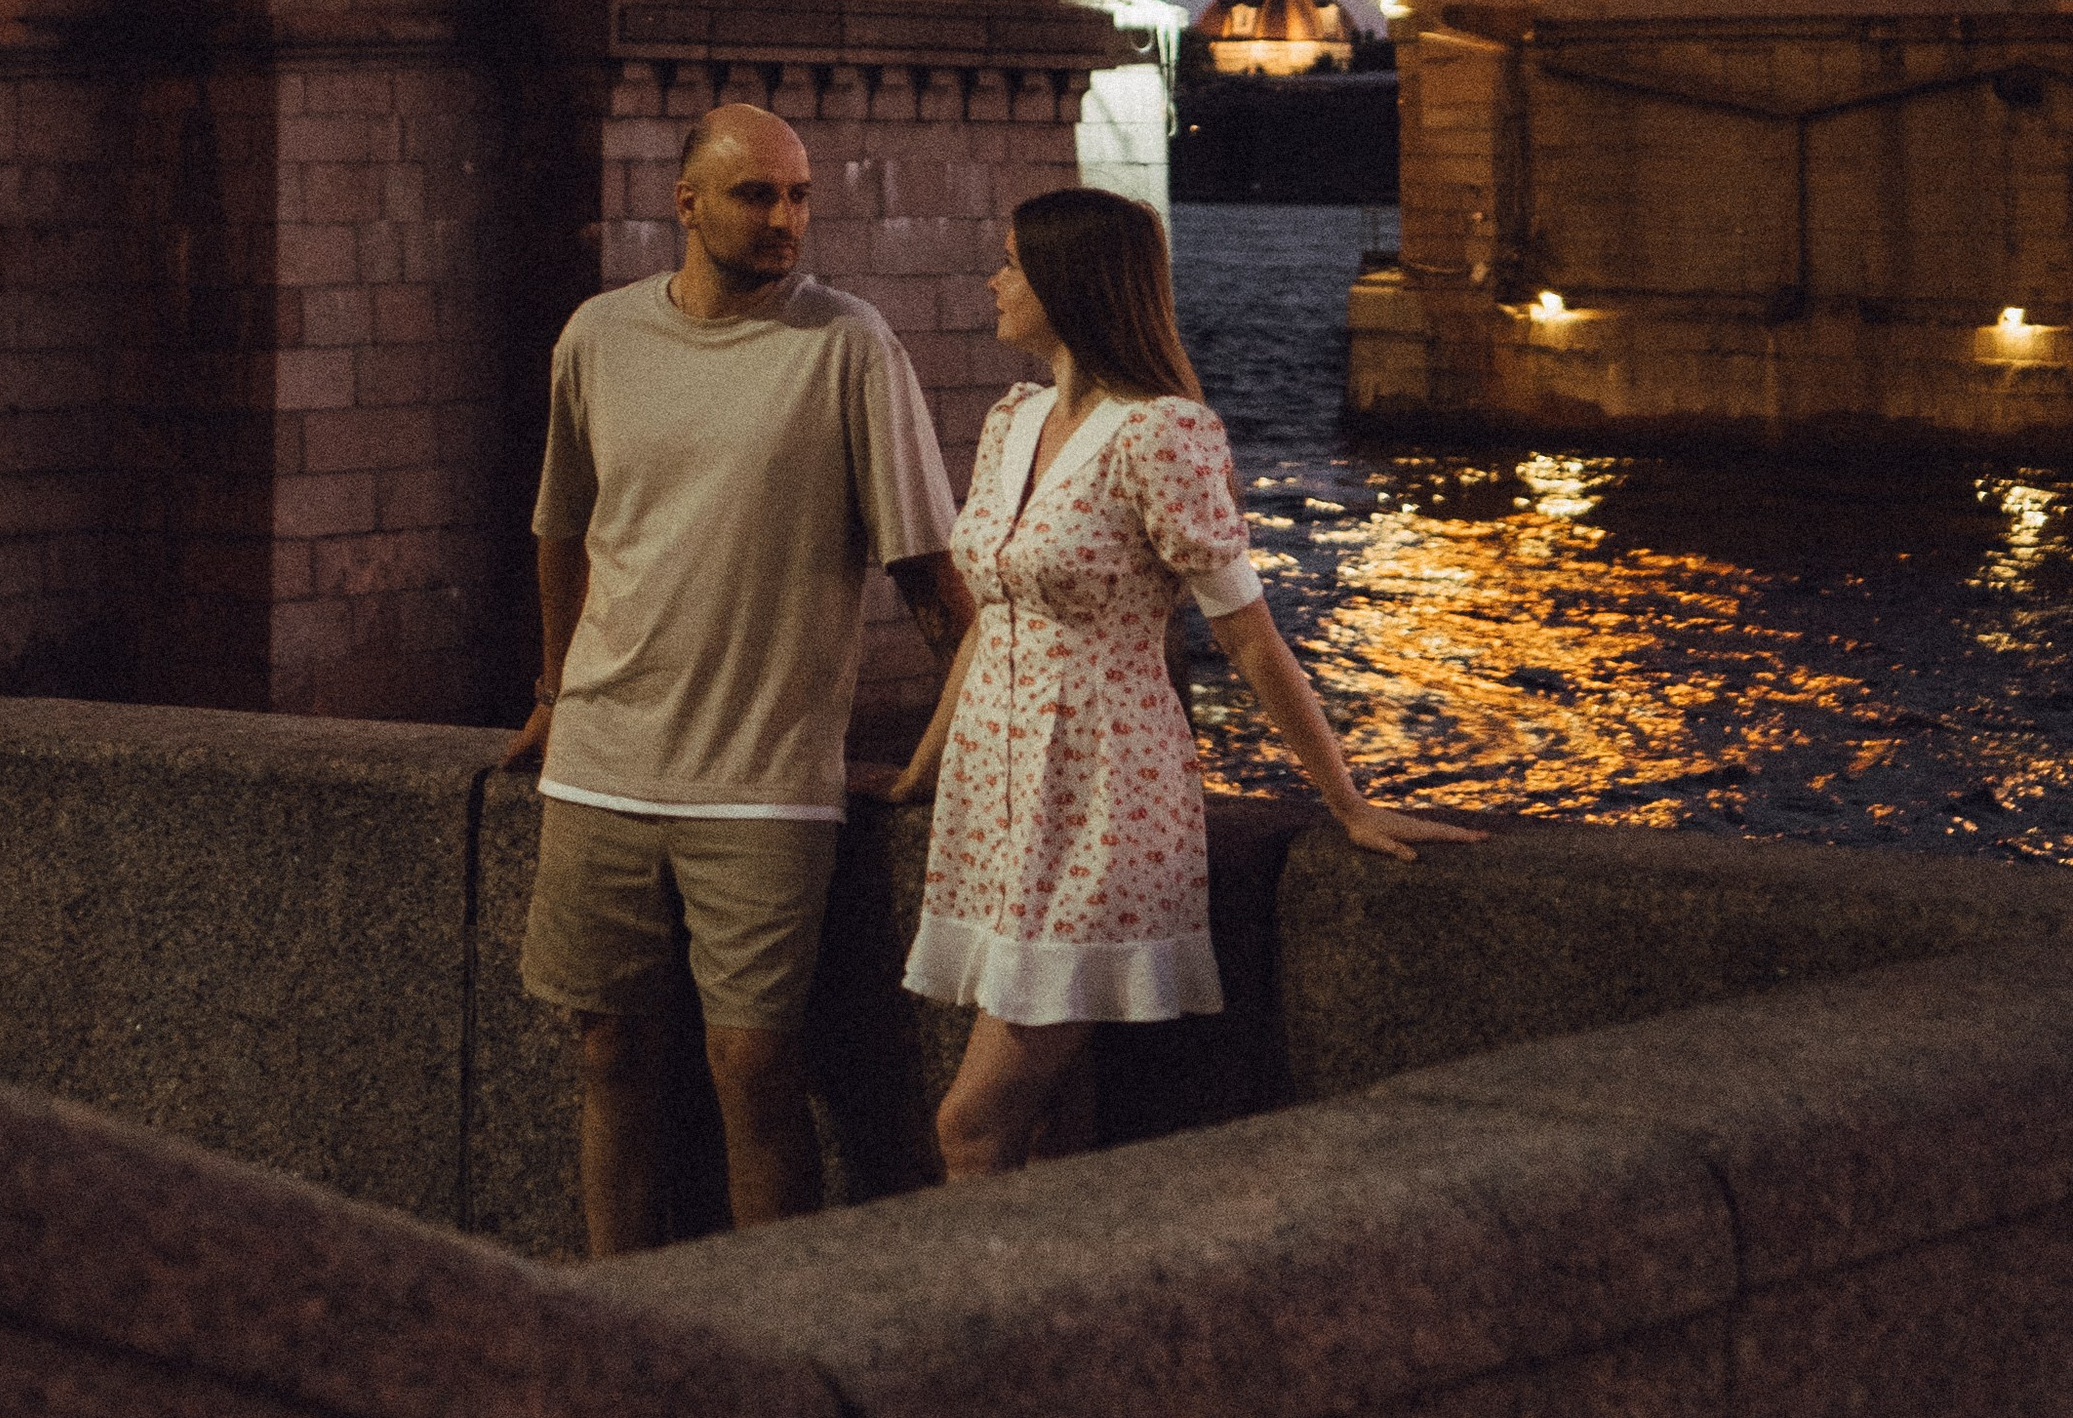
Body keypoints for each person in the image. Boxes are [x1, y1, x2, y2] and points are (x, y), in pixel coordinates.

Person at [891, 185, 1475, 1180]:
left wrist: (1346, 799)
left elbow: (1247, 639)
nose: (991, 280)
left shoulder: (1162, 434)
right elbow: (993, 622)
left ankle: (974, 1325)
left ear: (1070, 286)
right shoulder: (1010, 420)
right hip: (995, 801)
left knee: (970, 1127)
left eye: (1012, 265)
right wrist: (914, 775)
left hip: (1102, 803)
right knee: (1050, 1124)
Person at [510, 99, 973, 1256]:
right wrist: (553, 694)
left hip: (765, 781)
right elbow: (563, 529)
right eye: (757, 195)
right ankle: (619, 1309)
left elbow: (929, 575)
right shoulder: (598, 337)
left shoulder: (850, 344)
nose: (786, 219)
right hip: (603, 765)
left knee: (756, 1065)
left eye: (800, 196)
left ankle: (772, 1320)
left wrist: (964, 741)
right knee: (607, 1050)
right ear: (686, 204)